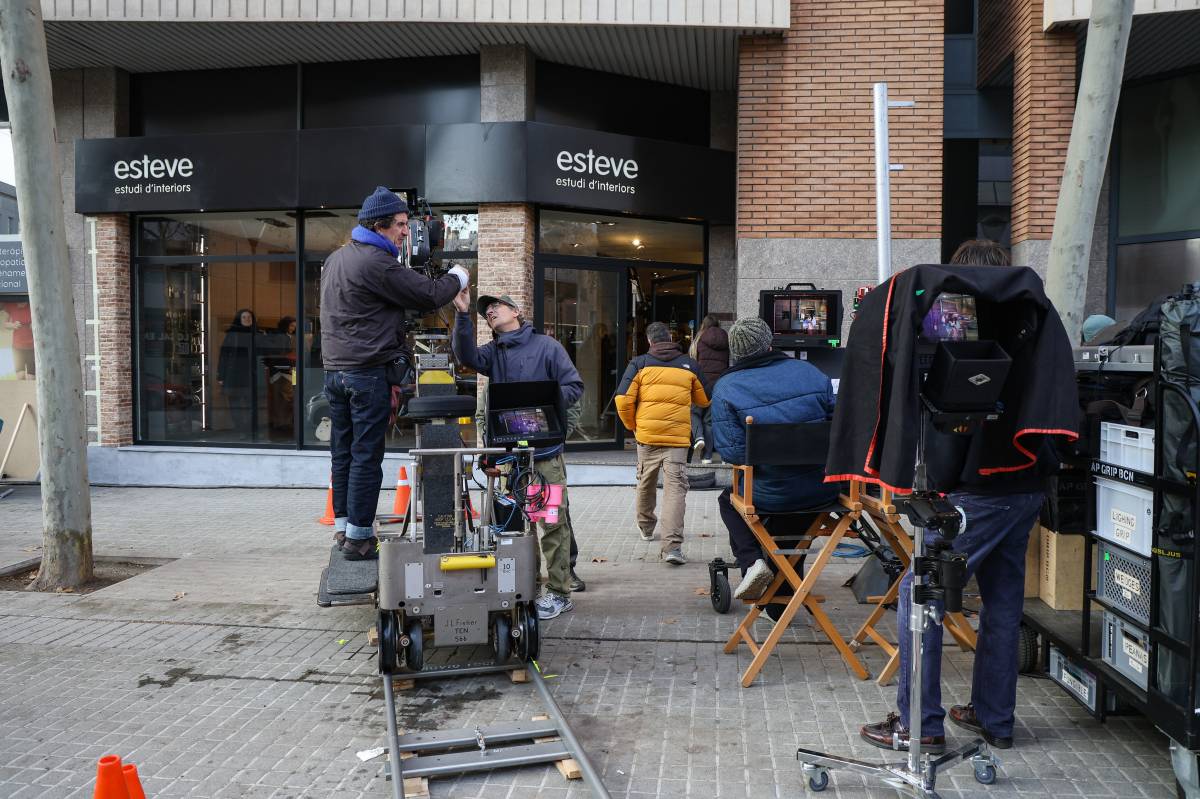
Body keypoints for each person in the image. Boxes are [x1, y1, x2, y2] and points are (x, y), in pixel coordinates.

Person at [861, 238, 1049, 753]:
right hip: (1027, 485)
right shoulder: (1031, 319)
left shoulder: (963, 326)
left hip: (980, 492)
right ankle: (994, 719)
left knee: (917, 594)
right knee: (1003, 603)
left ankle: (919, 724)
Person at [321, 186, 469, 560]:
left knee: (343, 453)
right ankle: (358, 540)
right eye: (402, 225)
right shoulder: (376, 262)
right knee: (366, 455)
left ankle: (344, 529)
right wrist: (458, 276)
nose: (407, 232)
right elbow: (428, 295)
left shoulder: (338, 259)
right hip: (366, 372)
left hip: (336, 372)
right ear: (380, 225)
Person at [452, 292, 585, 619]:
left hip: (544, 455)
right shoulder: (492, 353)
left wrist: (544, 409)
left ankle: (558, 592)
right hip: (513, 459)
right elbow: (465, 354)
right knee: (521, 527)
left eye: (496, 305)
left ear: (516, 311)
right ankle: (530, 588)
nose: (491, 311)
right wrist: (462, 314)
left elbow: (573, 387)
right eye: (486, 311)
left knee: (551, 523)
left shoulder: (548, 348)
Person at [711, 317, 838, 599]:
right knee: (794, 527)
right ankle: (785, 594)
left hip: (769, 493)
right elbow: (838, 429)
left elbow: (733, 453)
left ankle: (752, 562)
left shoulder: (726, 387)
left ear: (735, 352)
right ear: (769, 342)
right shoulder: (810, 372)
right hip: (823, 489)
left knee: (729, 500)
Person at [614, 320, 709, 566]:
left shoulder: (639, 364)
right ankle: (672, 547)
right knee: (675, 489)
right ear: (670, 338)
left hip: (646, 435)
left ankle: (646, 527)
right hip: (677, 439)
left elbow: (622, 400)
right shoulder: (690, 365)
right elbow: (705, 398)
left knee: (646, 480)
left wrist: (632, 425)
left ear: (649, 341)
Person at [689, 314, 728, 464]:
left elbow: (692, 362)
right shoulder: (726, 340)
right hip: (719, 384)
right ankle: (707, 456)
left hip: (701, 383)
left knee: (693, 413)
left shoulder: (698, 339)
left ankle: (699, 437)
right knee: (709, 421)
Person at [217, 308, 259, 436]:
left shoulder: (257, 334)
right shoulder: (232, 334)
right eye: (244, 317)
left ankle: (251, 430)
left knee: (251, 405)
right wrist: (221, 375)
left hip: (250, 374)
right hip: (234, 374)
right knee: (235, 406)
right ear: (239, 319)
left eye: (249, 317)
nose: (247, 320)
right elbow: (223, 356)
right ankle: (240, 430)